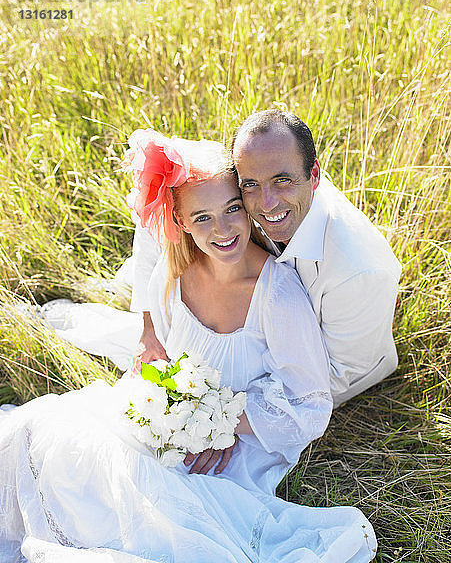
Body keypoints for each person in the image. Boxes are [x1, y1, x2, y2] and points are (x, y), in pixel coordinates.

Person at [0, 130, 377, 562]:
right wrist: (168, 402)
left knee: (151, 512)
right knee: (46, 443)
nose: (222, 230)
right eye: (202, 218)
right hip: (167, 418)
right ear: (179, 223)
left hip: (234, 444)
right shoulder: (177, 269)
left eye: (233, 208)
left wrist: (219, 423)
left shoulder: (276, 293)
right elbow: (166, 353)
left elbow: (309, 404)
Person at [133, 110, 402, 407]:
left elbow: (333, 377)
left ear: (314, 175)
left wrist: (215, 412)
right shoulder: (245, 182)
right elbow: (157, 208)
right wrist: (150, 328)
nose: (267, 202)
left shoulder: (360, 272)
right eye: (250, 185)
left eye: (282, 181)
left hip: (322, 378)